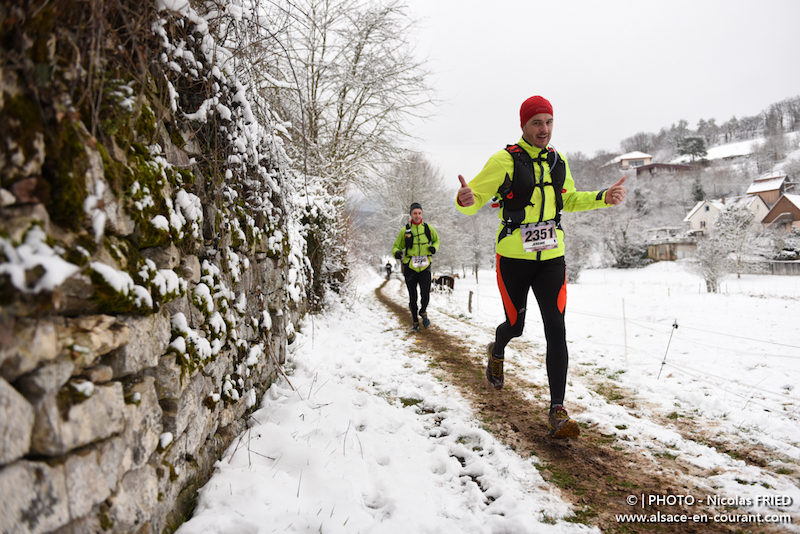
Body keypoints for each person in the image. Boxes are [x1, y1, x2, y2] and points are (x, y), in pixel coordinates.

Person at [455, 95, 626, 439]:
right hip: (513, 260)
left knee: (556, 329)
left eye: (549, 122)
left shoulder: (558, 161)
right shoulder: (504, 161)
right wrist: (465, 200)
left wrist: (602, 197)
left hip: (551, 258)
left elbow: (568, 199)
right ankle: (497, 348)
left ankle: (557, 411)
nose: (544, 129)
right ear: (523, 125)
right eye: (537, 122)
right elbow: (472, 198)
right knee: (515, 326)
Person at [392, 203, 441, 332]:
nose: (417, 216)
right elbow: (396, 246)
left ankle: (423, 312)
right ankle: (415, 322)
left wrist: (434, 248)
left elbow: (437, 240)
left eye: (419, 213)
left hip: (425, 268)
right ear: (410, 215)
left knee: (425, 295)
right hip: (410, 268)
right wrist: (396, 253)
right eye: (415, 213)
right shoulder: (405, 230)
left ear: (422, 214)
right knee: (412, 297)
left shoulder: (428, 229)